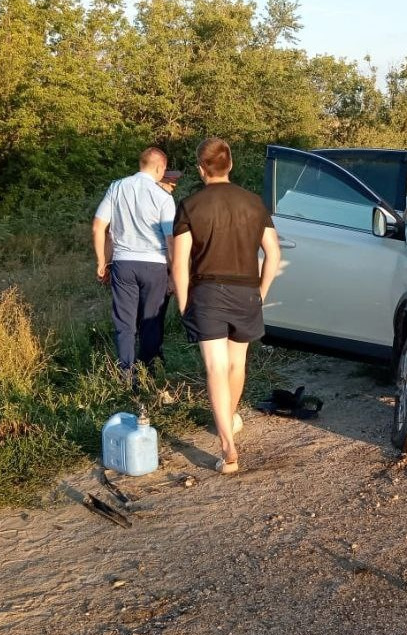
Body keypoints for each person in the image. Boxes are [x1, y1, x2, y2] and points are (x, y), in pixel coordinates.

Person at [171, 138, 281, 474]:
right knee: (236, 365)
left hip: (207, 292)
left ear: (200, 168)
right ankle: (229, 418)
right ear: (229, 164)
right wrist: (261, 290)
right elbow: (273, 254)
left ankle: (226, 446)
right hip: (246, 290)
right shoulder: (253, 203)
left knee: (215, 368)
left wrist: (183, 300)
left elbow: (178, 262)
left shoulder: (190, 205)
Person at [92, 147, 176, 386]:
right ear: (160, 168)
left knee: (125, 323)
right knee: (150, 320)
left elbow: (99, 227)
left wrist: (102, 262)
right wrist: (174, 272)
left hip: (123, 263)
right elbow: (170, 239)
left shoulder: (117, 187)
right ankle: (147, 374)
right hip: (155, 265)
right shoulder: (163, 198)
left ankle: (126, 375)